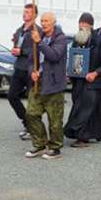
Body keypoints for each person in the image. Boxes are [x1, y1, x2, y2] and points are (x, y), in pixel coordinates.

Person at [25, 12, 70, 159]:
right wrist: (32, 71)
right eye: (42, 21)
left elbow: (54, 55)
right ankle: (40, 144)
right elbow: (31, 60)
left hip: (54, 84)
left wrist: (40, 42)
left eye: (46, 21)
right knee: (31, 114)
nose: (43, 23)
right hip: (38, 83)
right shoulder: (39, 37)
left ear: (53, 22)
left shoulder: (61, 39)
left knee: (55, 120)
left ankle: (55, 148)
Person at [65, 13, 101, 147]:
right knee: (91, 110)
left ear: (90, 26)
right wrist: (70, 72)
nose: (81, 28)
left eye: (84, 25)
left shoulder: (100, 42)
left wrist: (95, 73)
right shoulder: (77, 41)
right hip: (79, 82)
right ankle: (98, 133)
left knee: (84, 110)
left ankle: (82, 137)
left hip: (93, 83)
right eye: (80, 25)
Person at [9, 4, 39, 140]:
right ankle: (27, 122)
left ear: (34, 15)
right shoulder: (19, 30)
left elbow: (36, 50)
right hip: (19, 67)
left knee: (32, 100)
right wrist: (15, 49)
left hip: (30, 69)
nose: (24, 14)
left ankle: (34, 129)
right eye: (24, 11)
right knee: (12, 96)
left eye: (27, 12)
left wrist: (22, 51)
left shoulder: (36, 31)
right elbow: (17, 46)